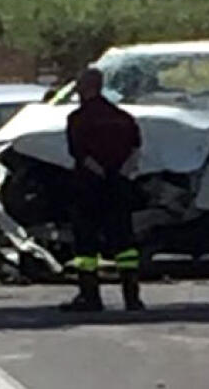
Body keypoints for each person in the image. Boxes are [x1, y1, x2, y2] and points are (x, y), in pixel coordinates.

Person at [61, 68, 144, 313]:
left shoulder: (78, 119)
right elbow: (136, 150)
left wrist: (100, 173)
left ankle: (90, 297)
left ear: (84, 88)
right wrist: (119, 176)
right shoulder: (123, 117)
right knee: (124, 243)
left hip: (90, 188)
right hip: (119, 188)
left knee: (86, 246)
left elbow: (79, 153)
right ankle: (132, 298)